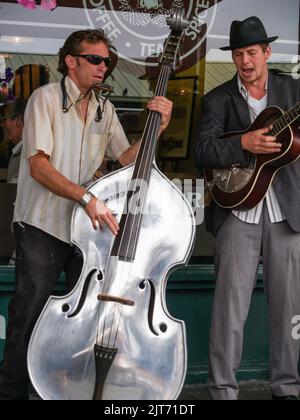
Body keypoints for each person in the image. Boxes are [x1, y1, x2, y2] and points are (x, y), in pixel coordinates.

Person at [0, 28, 173, 400]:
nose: (103, 67)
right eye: (95, 59)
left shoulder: (105, 108)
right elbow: (38, 167)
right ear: (71, 61)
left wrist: (158, 128)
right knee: (28, 315)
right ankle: (12, 392)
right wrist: (86, 198)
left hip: (84, 233)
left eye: (106, 61)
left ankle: (61, 390)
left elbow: (127, 160)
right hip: (42, 226)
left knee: (82, 323)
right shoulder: (44, 99)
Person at [196, 16, 300, 400]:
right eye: (239, 54)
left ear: (267, 53)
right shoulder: (217, 98)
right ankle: (223, 390)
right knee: (229, 310)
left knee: (289, 310)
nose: (245, 61)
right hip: (237, 212)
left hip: (287, 212)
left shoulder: (293, 91)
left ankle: (286, 388)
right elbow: (203, 151)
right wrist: (244, 143)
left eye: (252, 53)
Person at [1, 99, 27, 183]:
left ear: (18, 120)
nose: (2, 124)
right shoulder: (19, 152)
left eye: (4, 118)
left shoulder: (26, 154)